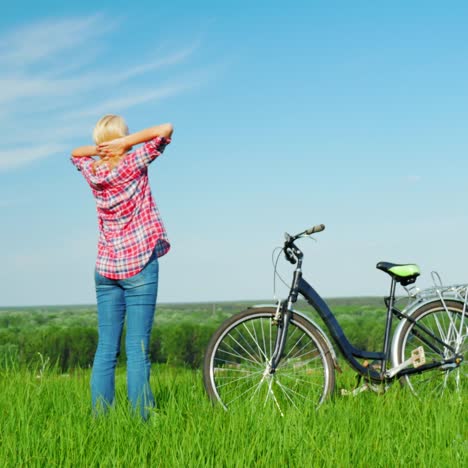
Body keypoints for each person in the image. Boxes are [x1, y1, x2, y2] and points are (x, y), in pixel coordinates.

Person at [71, 114, 173, 419]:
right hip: (139, 264)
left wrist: (101, 149)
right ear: (120, 138)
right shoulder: (134, 161)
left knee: (106, 349)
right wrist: (125, 144)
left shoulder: (91, 170)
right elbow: (165, 128)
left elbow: (75, 153)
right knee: (138, 349)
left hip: (105, 267)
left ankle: (100, 417)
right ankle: (142, 418)